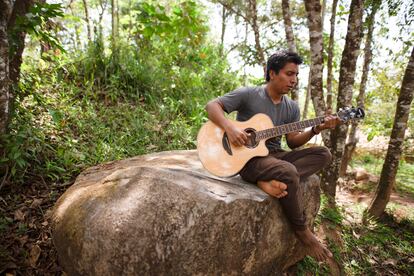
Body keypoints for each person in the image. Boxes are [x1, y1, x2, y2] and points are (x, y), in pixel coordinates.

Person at [205, 50, 339, 262]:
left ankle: (266, 180)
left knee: (323, 154)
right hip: (249, 159)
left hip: (275, 156)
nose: (293, 80)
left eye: (296, 75)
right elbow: (212, 106)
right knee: (288, 171)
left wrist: (316, 129)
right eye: (289, 74)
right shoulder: (250, 94)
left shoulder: (291, 107)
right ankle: (302, 231)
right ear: (271, 73)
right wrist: (230, 128)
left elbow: (293, 141)